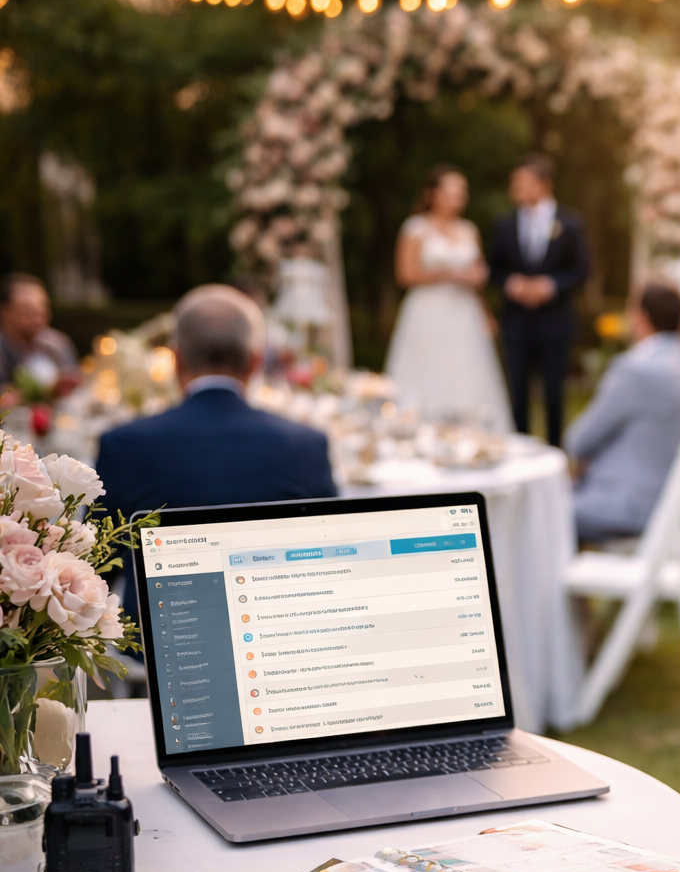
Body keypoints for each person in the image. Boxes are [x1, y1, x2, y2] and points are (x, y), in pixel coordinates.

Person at [96, 285, 337, 624]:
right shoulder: (305, 444)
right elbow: (330, 563)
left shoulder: (124, 444)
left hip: (159, 657)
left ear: (175, 359)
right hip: (281, 642)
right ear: (255, 362)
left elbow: (95, 573)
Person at [566, 282, 680, 542]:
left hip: (626, 507)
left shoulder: (635, 369)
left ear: (641, 316)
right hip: (674, 509)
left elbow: (579, 441)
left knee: (535, 512)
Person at [384, 165, 512, 432]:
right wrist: (448, 274)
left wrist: (485, 312)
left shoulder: (469, 230)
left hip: (463, 312)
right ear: (432, 194)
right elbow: (405, 274)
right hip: (427, 311)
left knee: (467, 371)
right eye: (450, 192)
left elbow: (476, 276)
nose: (457, 198)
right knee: (427, 369)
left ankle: (470, 433)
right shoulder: (415, 228)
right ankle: (418, 428)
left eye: (461, 192)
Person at [487, 154, 591, 447]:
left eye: (522, 182)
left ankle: (555, 452)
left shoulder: (570, 223)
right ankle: (519, 450)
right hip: (516, 321)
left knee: (554, 394)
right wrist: (511, 283)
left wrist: (551, 285)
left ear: (544, 185)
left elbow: (582, 270)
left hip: (555, 321)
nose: (516, 189)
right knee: (516, 392)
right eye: (514, 183)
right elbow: (493, 268)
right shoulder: (504, 224)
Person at [0, 272, 79, 390]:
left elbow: (77, 386)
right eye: (27, 311)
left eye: (41, 310)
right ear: (5, 311)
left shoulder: (58, 344)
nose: (38, 319)